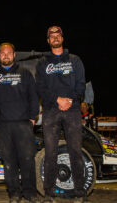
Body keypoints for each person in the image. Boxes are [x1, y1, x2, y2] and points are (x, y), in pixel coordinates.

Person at [36, 26, 87, 203]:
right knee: (50, 153)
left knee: (75, 152)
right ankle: (49, 194)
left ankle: (80, 193)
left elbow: (81, 85)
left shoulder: (75, 60)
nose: (55, 38)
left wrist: (70, 100)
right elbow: (40, 87)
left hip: (72, 111)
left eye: (58, 35)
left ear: (62, 38)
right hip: (51, 111)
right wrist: (57, 99)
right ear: (48, 40)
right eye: (52, 36)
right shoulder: (42, 62)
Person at [0, 43, 40, 203]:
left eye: (8, 53)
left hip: (23, 124)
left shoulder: (25, 73)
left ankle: (30, 193)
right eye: (3, 53)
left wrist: (32, 118)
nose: (6, 55)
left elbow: (34, 97)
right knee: (8, 161)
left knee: (27, 159)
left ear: (14, 55)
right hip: (2, 126)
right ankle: (14, 194)